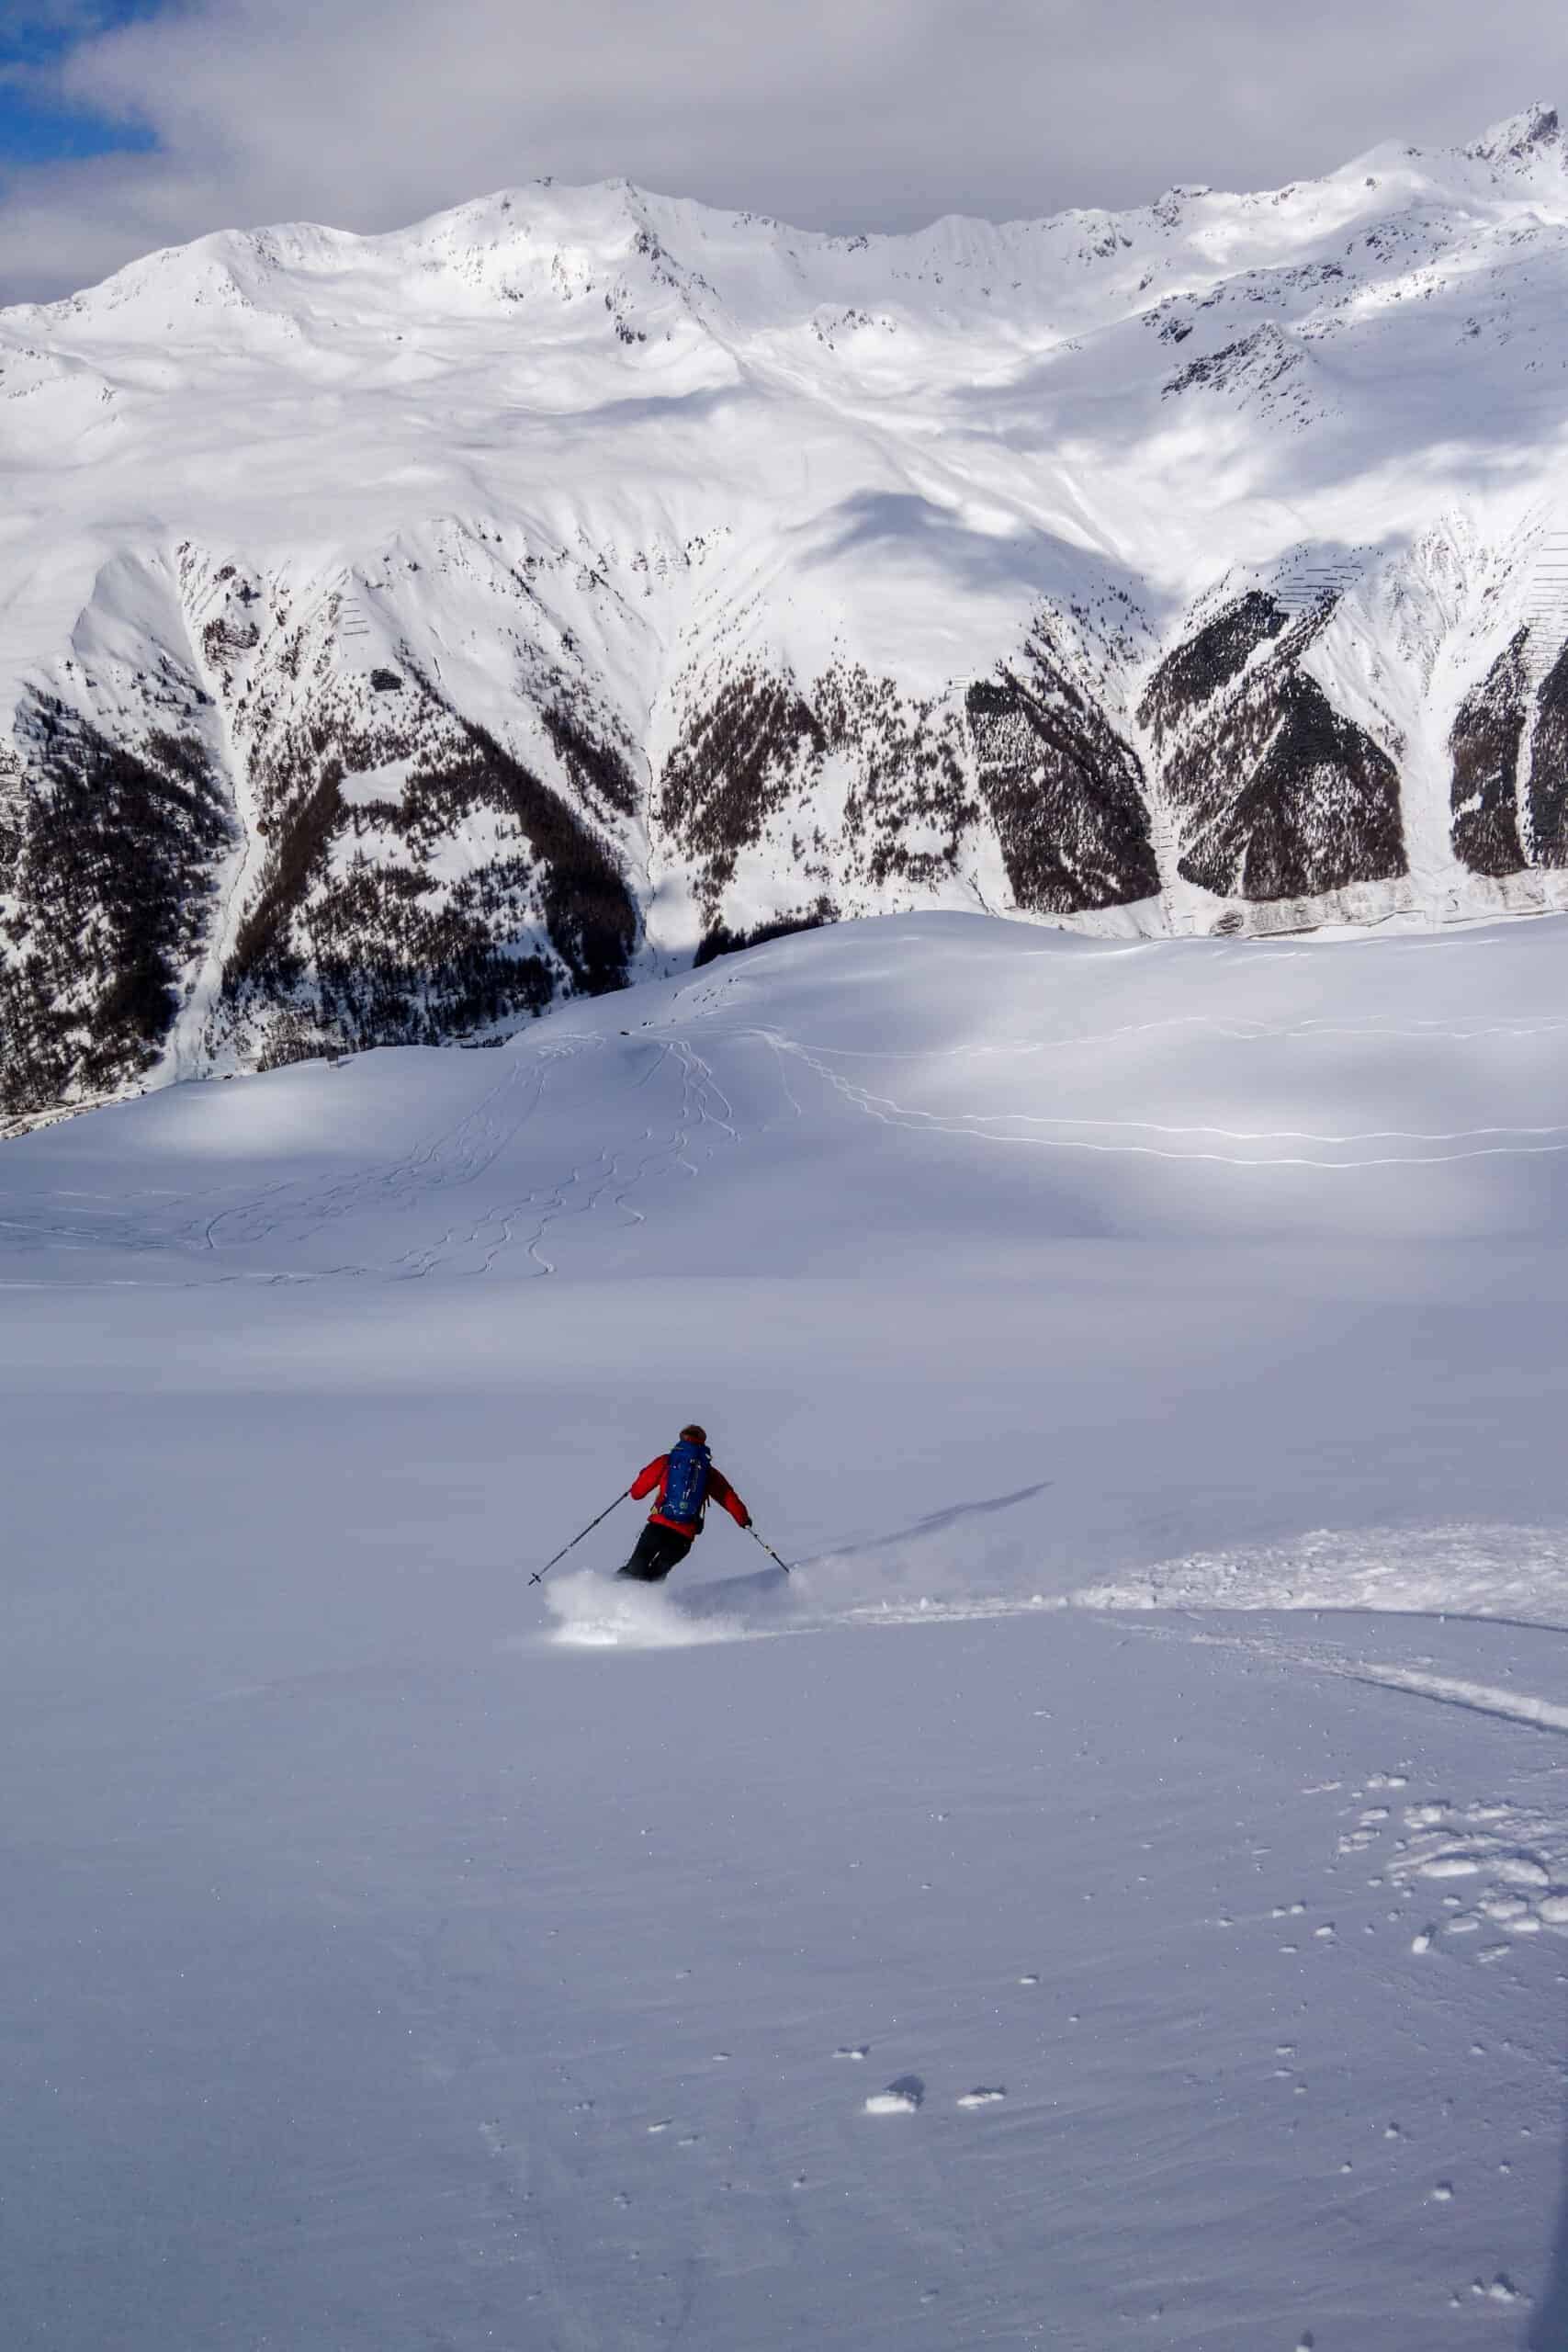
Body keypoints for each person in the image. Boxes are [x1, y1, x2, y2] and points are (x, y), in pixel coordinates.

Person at [615, 1424, 750, 1582]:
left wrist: (636, 1486)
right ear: (703, 1443)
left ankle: (608, 1593)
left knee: (635, 1569)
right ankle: (648, 1603)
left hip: (658, 1526)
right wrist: (743, 1520)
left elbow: (637, 1494)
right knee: (654, 1578)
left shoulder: (666, 1461)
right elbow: (728, 1497)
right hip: (683, 1536)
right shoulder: (708, 1472)